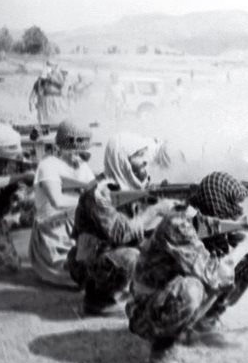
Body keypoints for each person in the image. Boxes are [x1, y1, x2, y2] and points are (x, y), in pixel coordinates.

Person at [127, 171, 248, 363]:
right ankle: (161, 350)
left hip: (162, 297)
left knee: (245, 265)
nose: (236, 210)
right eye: (231, 204)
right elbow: (213, 274)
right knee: (192, 289)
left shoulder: (200, 218)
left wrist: (247, 239)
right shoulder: (178, 224)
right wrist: (243, 246)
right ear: (215, 201)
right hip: (144, 311)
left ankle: (202, 325)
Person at [69, 132, 176, 316]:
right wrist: (155, 210)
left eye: (144, 155)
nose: (145, 161)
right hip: (89, 262)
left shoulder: (131, 185)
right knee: (132, 257)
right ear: (122, 160)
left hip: (109, 253)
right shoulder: (98, 193)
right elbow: (121, 233)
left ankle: (134, 295)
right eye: (138, 156)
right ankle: (98, 300)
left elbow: (139, 225)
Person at [28, 120, 96, 287]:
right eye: (75, 146)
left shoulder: (82, 166)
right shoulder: (48, 165)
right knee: (77, 275)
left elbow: (93, 188)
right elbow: (57, 201)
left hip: (76, 225)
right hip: (53, 231)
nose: (78, 154)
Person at [0, 124, 36, 272]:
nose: (5, 165)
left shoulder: (16, 162)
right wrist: (21, 177)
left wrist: (21, 193)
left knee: (11, 266)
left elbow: (22, 183)